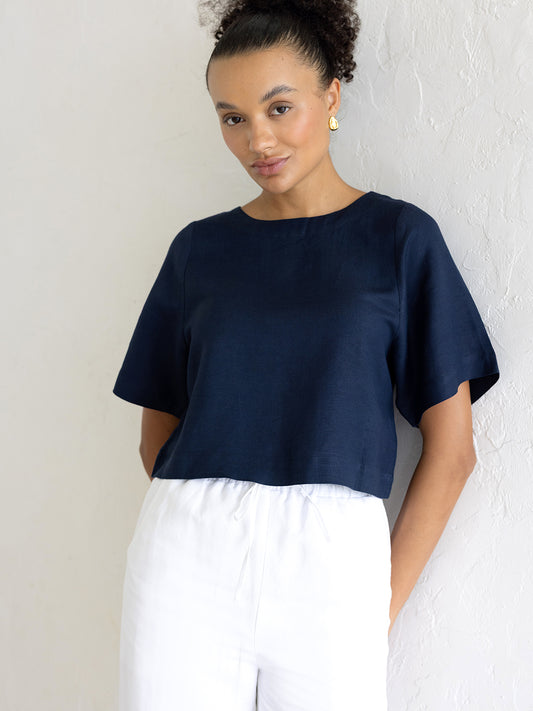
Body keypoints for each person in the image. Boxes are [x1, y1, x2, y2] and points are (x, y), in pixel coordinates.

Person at [112, 1, 500, 709]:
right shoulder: (198, 250)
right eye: (232, 118)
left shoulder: (400, 240)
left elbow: (452, 450)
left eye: (279, 107)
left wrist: (376, 603)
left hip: (334, 560)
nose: (257, 139)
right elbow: (156, 431)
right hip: (186, 556)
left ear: (331, 97)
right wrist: (210, 520)